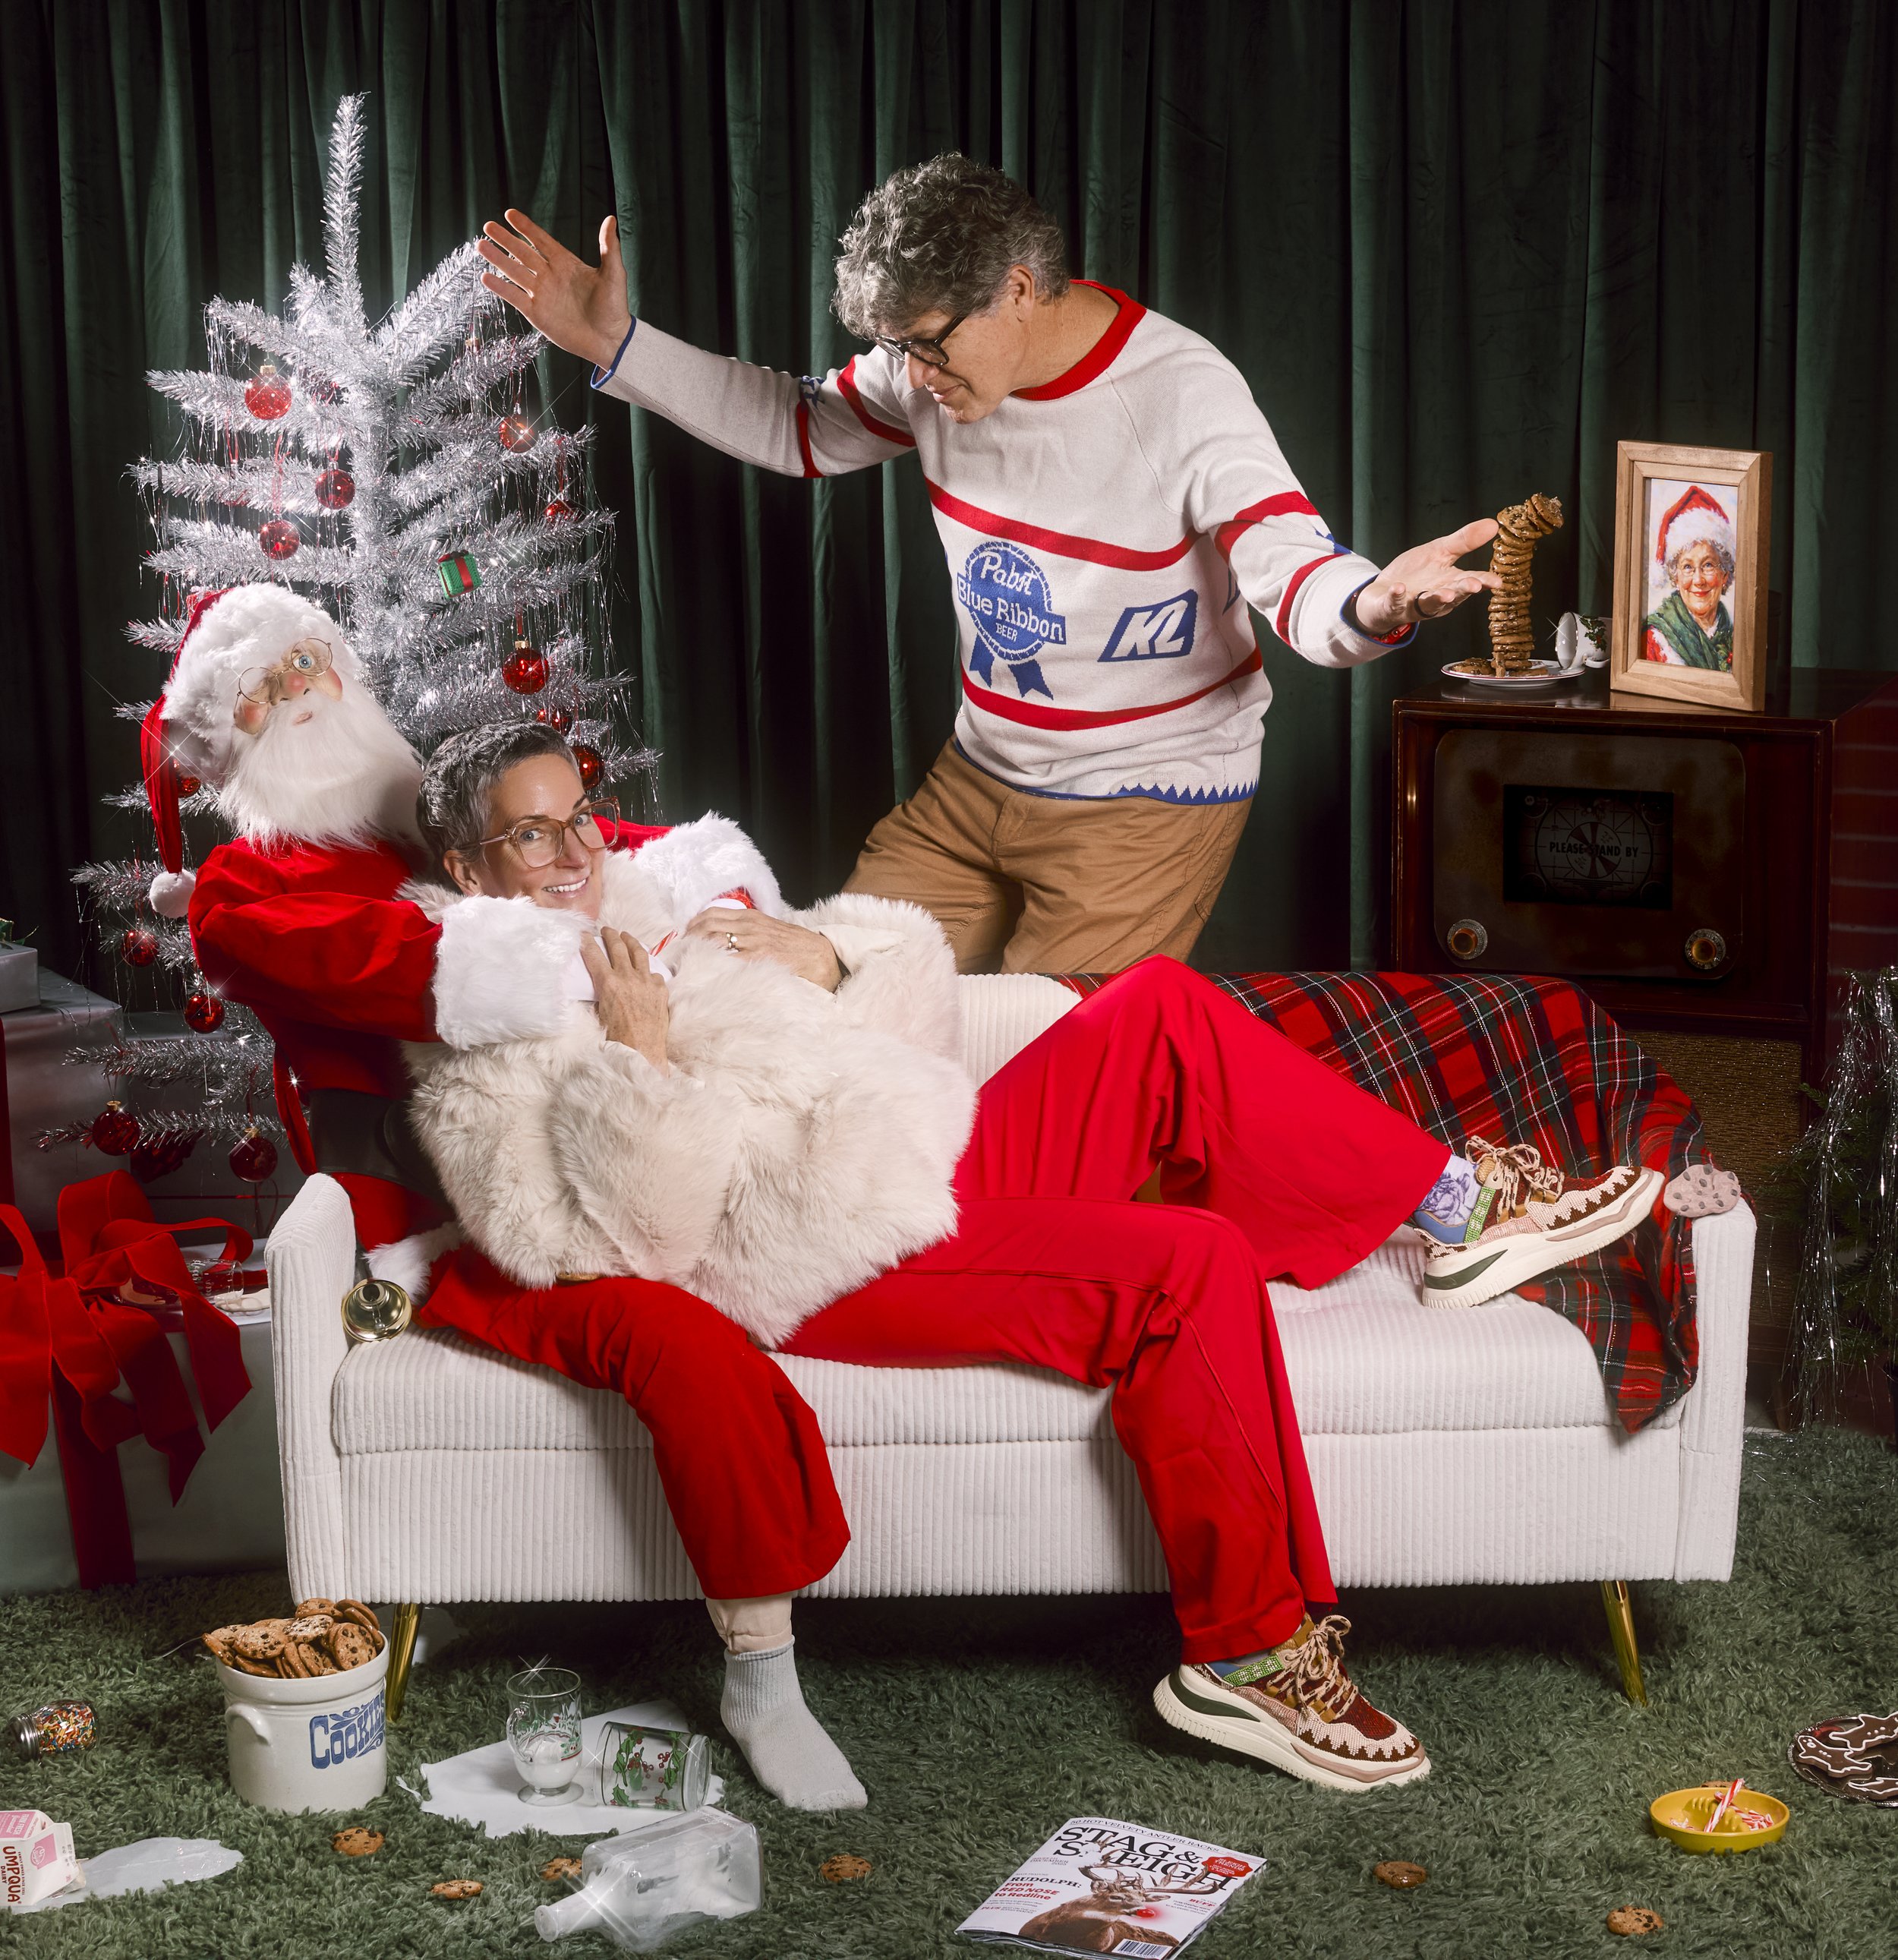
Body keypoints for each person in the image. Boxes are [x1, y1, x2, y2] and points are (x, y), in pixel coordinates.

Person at [404, 719, 1665, 1797]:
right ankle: (1245, 1656)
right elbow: (642, 1241)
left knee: (1160, 1006)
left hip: (904, 1150)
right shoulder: (483, 1043)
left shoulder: (654, 910)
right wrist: (642, 1056)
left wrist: (832, 954)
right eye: (534, 835)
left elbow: (909, 1003)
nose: (578, 854)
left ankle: (1453, 1209)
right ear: (466, 863)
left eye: (581, 817)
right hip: (808, 1253)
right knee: (1187, 1265)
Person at [160, 584, 868, 1811]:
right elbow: (410, 969)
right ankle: (762, 1670)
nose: (310, 697)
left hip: (616, 1161)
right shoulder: (242, 888)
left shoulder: (429, 823)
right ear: (231, 742)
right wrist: (613, 958)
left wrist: (725, 903)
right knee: (682, 1341)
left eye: (317, 665)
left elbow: (614, 851)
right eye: (273, 692)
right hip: (465, 1227)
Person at [477, 155, 1503, 975]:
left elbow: (1296, 575)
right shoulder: (927, 372)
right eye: (896, 349)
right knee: (830, 990)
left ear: (1017, 287)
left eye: (927, 344)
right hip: (981, 776)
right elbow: (801, 425)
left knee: (1049, 1069)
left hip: (1145, 797)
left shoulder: (1181, 395)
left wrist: (1373, 599)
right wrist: (621, 343)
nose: (913, 377)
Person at [1642, 485, 1736, 670]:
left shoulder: (1737, 635)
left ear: (1724, 575)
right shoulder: (1654, 640)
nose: (1698, 580)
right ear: (1675, 578)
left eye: (1708, 565)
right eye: (1687, 567)